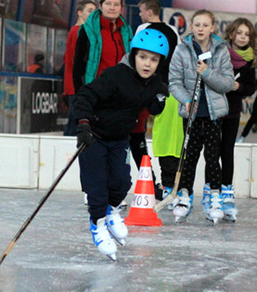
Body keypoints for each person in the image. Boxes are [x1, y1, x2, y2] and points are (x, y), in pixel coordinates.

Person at [75, 28, 170, 260]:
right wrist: (84, 124)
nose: (147, 64)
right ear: (134, 55)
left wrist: (160, 99)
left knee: (121, 182)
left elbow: (154, 108)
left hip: (119, 139)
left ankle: (110, 211)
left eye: (154, 60)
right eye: (143, 57)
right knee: (96, 188)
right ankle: (97, 225)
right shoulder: (115, 75)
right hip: (94, 136)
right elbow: (86, 95)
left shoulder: (154, 82)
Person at [168, 9, 233, 223]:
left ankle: (215, 197)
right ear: (191, 26)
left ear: (212, 28)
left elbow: (227, 83)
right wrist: (186, 100)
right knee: (190, 157)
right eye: (197, 25)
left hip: (213, 114)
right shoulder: (182, 50)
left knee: (213, 157)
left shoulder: (221, 50)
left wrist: (206, 72)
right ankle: (184, 196)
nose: (201, 29)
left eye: (205, 25)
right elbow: (174, 82)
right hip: (191, 115)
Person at [72, 0, 132, 206]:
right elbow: (78, 66)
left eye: (117, 4)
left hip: (119, 97)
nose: (113, 7)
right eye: (108, 3)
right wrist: (82, 97)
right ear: (101, 5)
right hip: (94, 93)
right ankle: (91, 189)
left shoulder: (127, 31)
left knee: (114, 144)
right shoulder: (87, 30)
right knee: (91, 144)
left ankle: (112, 192)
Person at [132, 0, 180, 202]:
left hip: (148, 86)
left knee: (138, 132)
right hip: (168, 88)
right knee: (164, 137)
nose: (140, 14)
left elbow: (136, 58)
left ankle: (155, 182)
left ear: (149, 11)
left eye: (142, 11)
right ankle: (164, 183)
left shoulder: (144, 29)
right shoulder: (174, 31)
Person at [215, 17, 257, 222]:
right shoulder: (219, 51)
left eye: (246, 34)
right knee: (212, 150)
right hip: (214, 109)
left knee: (227, 151)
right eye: (239, 33)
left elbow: (251, 86)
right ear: (231, 34)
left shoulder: (249, 60)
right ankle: (212, 191)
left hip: (232, 111)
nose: (242, 37)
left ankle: (226, 191)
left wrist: (238, 88)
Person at [62, 0, 97, 136]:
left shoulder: (76, 31)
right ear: (80, 13)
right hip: (76, 85)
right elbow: (74, 60)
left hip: (74, 85)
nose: (92, 14)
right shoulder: (79, 32)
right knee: (75, 123)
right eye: (89, 10)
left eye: (94, 11)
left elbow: (66, 57)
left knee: (74, 122)